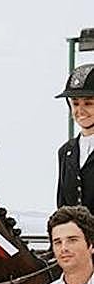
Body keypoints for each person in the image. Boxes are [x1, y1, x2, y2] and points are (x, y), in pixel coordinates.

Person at [55, 64, 94, 211]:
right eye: (75, 103)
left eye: (88, 103)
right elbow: (62, 207)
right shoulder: (66, 151)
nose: (80, 110)